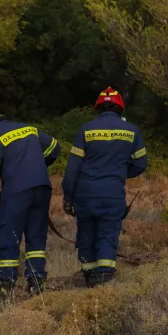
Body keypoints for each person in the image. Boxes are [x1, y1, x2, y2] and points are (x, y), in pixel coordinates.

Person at [62, 88, 147, 287]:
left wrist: (68, 197)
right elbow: (141, 164)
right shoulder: (132, 131)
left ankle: (90, 283)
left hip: (85, 194)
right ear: (120, 108)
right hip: (112, 194)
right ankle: (104, 284)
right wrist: (119, 173)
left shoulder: (86, 130)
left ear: (98, 107)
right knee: (107, 237)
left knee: (86, 237)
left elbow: (72, 169)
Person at [0, 109, 60, 303]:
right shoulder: (29, 129)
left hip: (17, 191)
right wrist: (36, 166)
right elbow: (54, 147)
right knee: (36, 238)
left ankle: (4, 289)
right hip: (42, 188)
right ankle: (36, 284)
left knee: (7, 238)